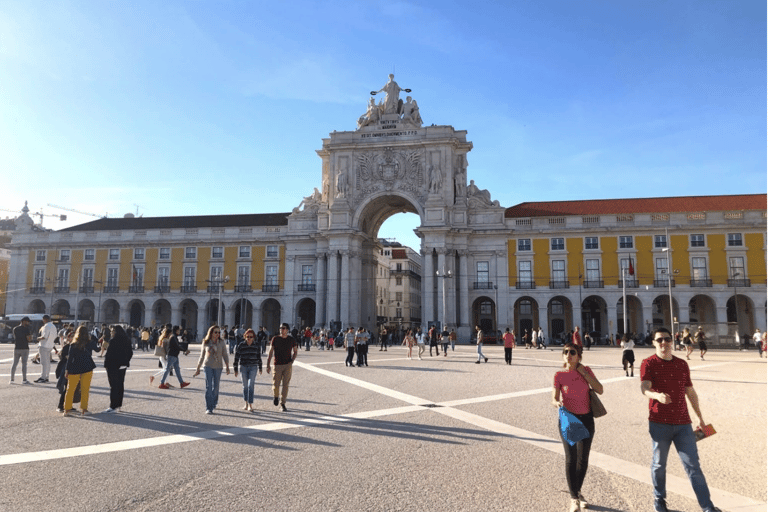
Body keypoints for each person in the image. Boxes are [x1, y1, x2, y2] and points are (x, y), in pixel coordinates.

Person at [640, 328, 723, 512]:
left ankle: (707, 506)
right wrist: (655, 396)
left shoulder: (682, 364)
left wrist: (700, 418)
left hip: (683, 424)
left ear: (672, 341)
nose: (664, 343)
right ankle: (659, 499)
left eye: (667, 339)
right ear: (653, 342)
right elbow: (644, 387)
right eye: (659, 340)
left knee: (693, 465)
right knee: (659, 464)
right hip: (659, 422)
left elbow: (690, 392)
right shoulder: (648, 363)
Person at [552, 342, 604, 512]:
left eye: (572, 352)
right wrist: (556, 402)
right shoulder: (559, 375)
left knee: (583, 459)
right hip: (568, 420)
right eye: (565, 352)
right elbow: (554, 397)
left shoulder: (586, 370)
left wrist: (584, 374)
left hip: (587, 419)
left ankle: (577, 491)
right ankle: (574, 497)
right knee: (571, 458)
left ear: (579, 356)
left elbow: (600, 389)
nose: (568, 354)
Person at [193, 325, 231, 414]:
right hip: (207, 366)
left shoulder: (221, 342)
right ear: (211, 332)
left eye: (219, 332)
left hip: (218, 366)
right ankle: (209, 407)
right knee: (208, 386)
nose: (218, 334)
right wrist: (198, 368)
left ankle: (214, 402)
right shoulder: (206, 342)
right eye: (216, 332)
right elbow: (202, 356)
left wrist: (227, 366)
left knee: (216, 386)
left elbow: (225, 355)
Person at [63, 325, 100, 416]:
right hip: (87, 367)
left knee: (70, 389)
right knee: (85, 389)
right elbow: (98, 350)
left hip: (74, 368)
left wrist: (67, 370)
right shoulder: (90, 342)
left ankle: (66, 410)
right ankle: (84, 410)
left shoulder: (73, 344)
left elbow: (70, 358)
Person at [266, 323, 298, 412]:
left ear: (287, 330)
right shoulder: (275, 339)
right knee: (276, 384)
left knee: (285, 385)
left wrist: (292, 360)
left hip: (287, 364)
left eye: (283, 328)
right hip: (277, 365)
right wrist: (268, 364)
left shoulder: (291, 339)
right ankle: (276, 396)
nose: (281, 330)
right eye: (280, 328)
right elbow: (270, 352)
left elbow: (295, 351)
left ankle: (283, 403)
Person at [103, 325, 134, 412]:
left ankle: (113, 406)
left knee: (113, 386)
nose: (111, 333)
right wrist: (125, 361)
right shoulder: (127, 340)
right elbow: (130, 353)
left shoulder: (113, 341)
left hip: (113, 366)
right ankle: (119, 405)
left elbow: (108, 355)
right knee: (120, 385)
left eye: (112, 331)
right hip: (123, 366)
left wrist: (106, 365)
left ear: (116, 332)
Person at [233, 328, 263, 411]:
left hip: (253, 366)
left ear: (253, 337)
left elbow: (259, 357)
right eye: (247, 336)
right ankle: (246, 403)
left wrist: (260, 367)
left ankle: (250, 404)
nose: (249, 338)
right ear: (245, 337)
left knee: (251, 385)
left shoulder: (257, 345)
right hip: (243, 367)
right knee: (245, 386)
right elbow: (236, 357)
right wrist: (235, 369)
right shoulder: (241, 345)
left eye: (251, 336)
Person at [158, 325, 191, 390]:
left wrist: (183, 349)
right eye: (179, 330)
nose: (180, 331)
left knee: (177, 369)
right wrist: (185, 350)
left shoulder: (174, 336)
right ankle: (161, 383)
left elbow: (178, 345)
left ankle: (182, 383)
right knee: (167, 369)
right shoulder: (173, 337)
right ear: (176, 330)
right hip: (172, 355)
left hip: (174, 355)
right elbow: (177, 346)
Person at [55, 329, 76, 412]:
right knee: (66, 388)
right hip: (66, 369)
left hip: (74, 369)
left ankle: (69, 405)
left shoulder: (77, 346)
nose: (73, 338)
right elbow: (64, 357)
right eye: (71, 337)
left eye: (74, 337)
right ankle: (60, 406)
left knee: (72, 389)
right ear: (68, 338)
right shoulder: (67, 347)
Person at [35, 315, 59, 383]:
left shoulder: (46, 326)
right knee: (48, 362)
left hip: (44, 345)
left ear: (45, 319)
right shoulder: (53, 326)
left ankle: (43, 377)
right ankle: (46, 376)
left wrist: (38, 338)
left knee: (43, 362)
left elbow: (44, 337)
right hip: (50, 345)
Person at [11, 316, 33, 384]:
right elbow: (29, 339)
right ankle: (24, 379)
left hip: (17, 348)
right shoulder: (26, 329)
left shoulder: (15, 328)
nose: (29, 323)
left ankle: (12, 379)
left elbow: (15, 337)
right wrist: (31, 337)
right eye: (28, 322)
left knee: (14, 364)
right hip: (25, 348)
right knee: (24, 364)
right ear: (24, 321)